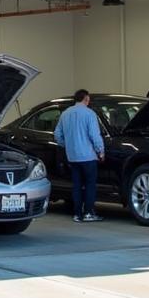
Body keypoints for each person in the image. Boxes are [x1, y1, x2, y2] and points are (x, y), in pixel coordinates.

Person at [54, 89, 105, 223]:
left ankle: (77, 214)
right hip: (88, 156)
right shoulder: (90, 114)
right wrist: (101, 151)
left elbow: (57, 135)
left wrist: (67, 145)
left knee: (76, 185)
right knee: (90, 185)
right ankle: (89, 213)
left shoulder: (65, 114)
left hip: (72, 157)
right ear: (86, 99)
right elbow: (94, 135)